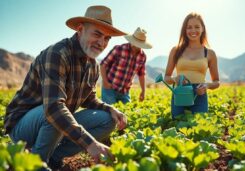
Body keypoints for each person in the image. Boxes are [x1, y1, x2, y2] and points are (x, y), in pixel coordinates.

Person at [4, 6, 127, 170]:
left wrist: (110, 108)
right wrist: (90, 143)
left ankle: (53, 157)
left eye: (107, 38)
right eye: (97, 34)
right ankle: (36, 163)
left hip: (53, 122)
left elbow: (89, 99)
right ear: (80, 29)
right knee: (55, 112)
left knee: (107, 119)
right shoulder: (57, 54)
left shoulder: (93, 65)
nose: (102, 42)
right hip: (23, 126)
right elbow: (53, 108)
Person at [164, 12, 220, 119]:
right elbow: (166, 78)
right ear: (185, 30)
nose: (193, 30)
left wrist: (206, 86)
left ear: (202, 28)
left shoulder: (210, 53)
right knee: (178, 128)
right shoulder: (176, 50)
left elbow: (217, 82)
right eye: (189, 27)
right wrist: (175, 79)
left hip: (200, 94)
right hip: (180, 92)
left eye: (197, 27)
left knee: (199, 129)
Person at [100, 27, 152, 104]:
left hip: (125, 92)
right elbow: (103, 64)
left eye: (139, 44)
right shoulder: (119, 49)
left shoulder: (142, 56)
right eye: (135, 43)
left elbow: (141, 75)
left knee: (126, 114)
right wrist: (105, 82)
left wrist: (143, 91)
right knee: (109, 114)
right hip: (110, 89)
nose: (136, 46)